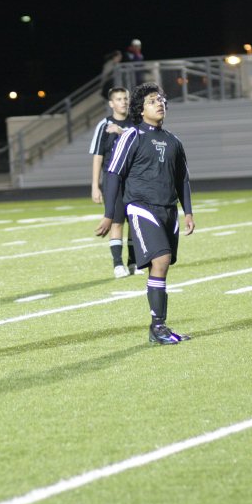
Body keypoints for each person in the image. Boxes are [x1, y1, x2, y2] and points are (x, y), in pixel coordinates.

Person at [95, 82, 195, 345]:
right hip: (141, 206)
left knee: (163, 266)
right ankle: (158, 326)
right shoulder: (132, 136)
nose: (160, 103)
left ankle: (158, 327)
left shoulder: (173, 140)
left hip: (168, 210)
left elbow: (182, 178)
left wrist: (188, 212)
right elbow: (114, 174)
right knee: (160, 260)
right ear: (140, 109)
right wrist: (109, 214)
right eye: (152, 100)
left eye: (161, 99)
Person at [89, 86, 141, 277]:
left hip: (134, 179)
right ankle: (118, 264)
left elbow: (141, 146)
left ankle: (134, 262)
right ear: (111, 103)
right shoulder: (104, 125)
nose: (123, 102)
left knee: (135, 221)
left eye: (125, 98)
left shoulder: (136, 122)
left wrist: (122, 132)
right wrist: (95, 186)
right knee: (117, 221)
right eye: (119, 99)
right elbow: (97, 156)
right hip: (114, 180)